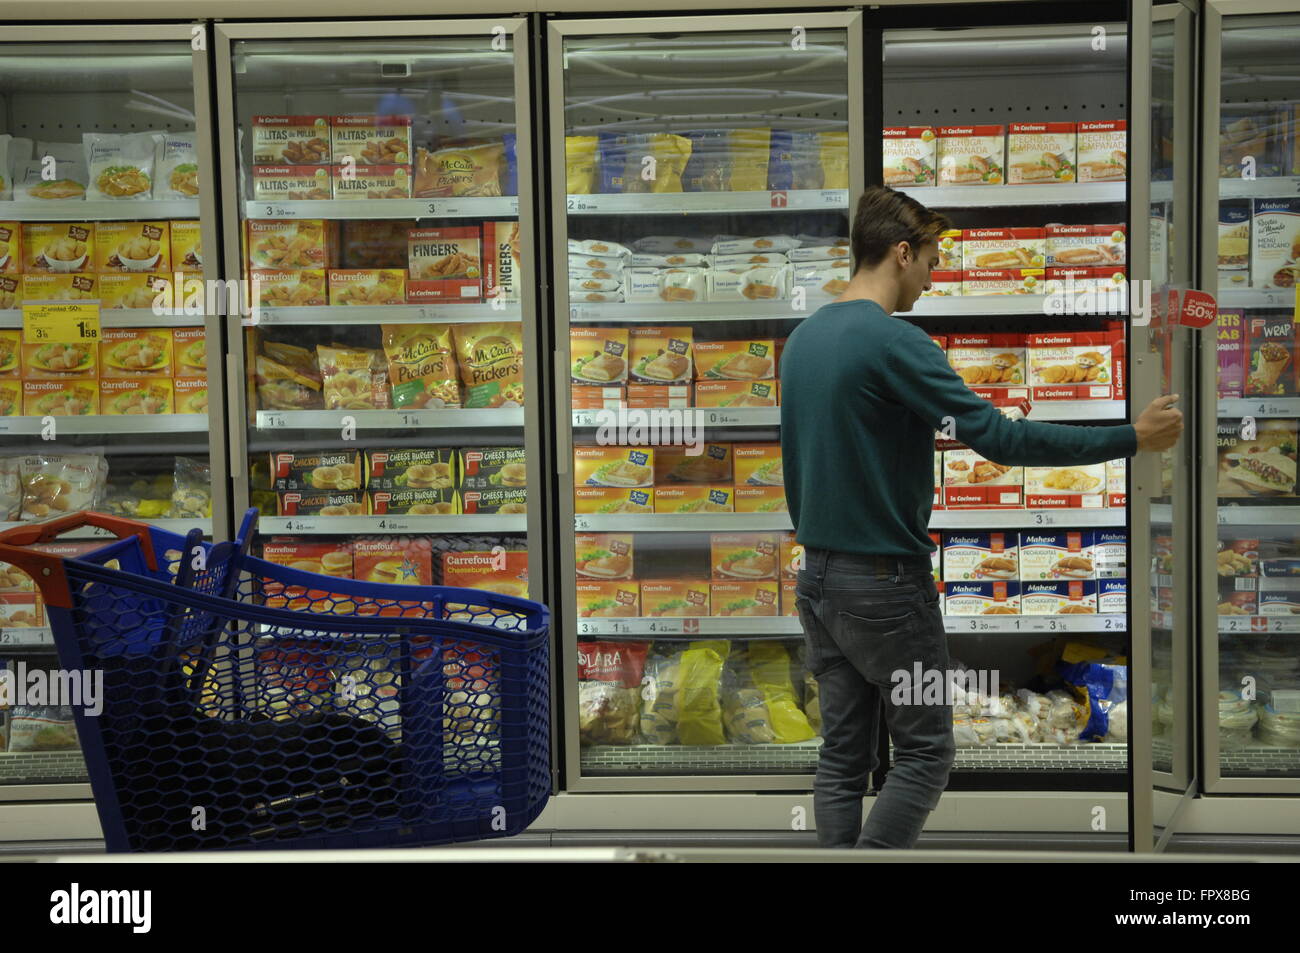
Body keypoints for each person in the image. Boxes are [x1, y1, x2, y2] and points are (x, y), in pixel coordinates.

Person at [779, 186, 1183, 849]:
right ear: (901, 253)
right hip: (886, 589)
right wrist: (1131, 437)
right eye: (932, 260)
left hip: (817, 582)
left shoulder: (803, 340)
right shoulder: (895, 342)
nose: (934, 277)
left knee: (844, 756)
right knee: (925, 753)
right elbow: (1003, 441)